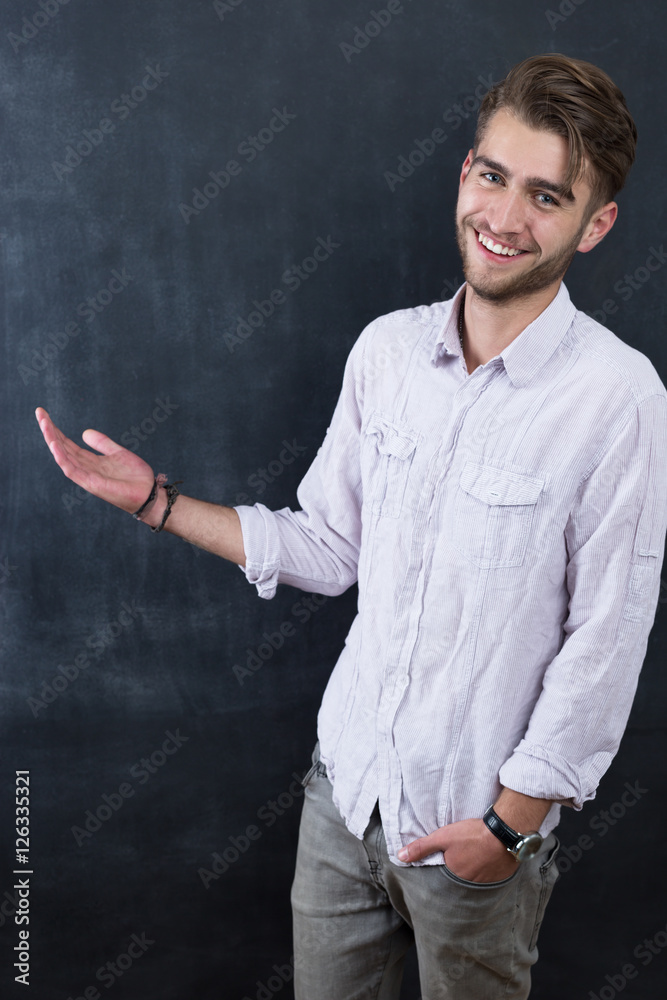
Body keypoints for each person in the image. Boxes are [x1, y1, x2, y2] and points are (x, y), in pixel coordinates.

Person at [36, 52, 667, 999]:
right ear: (464, 171)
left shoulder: (618, 398)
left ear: (595, 224)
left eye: (546, 197)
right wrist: (154, 502)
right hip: (343, 800)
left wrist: (505, 829)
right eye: (492, 177)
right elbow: (331, 550)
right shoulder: (386, 353)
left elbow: (605, 643)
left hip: (475, 835)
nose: (502, 219)